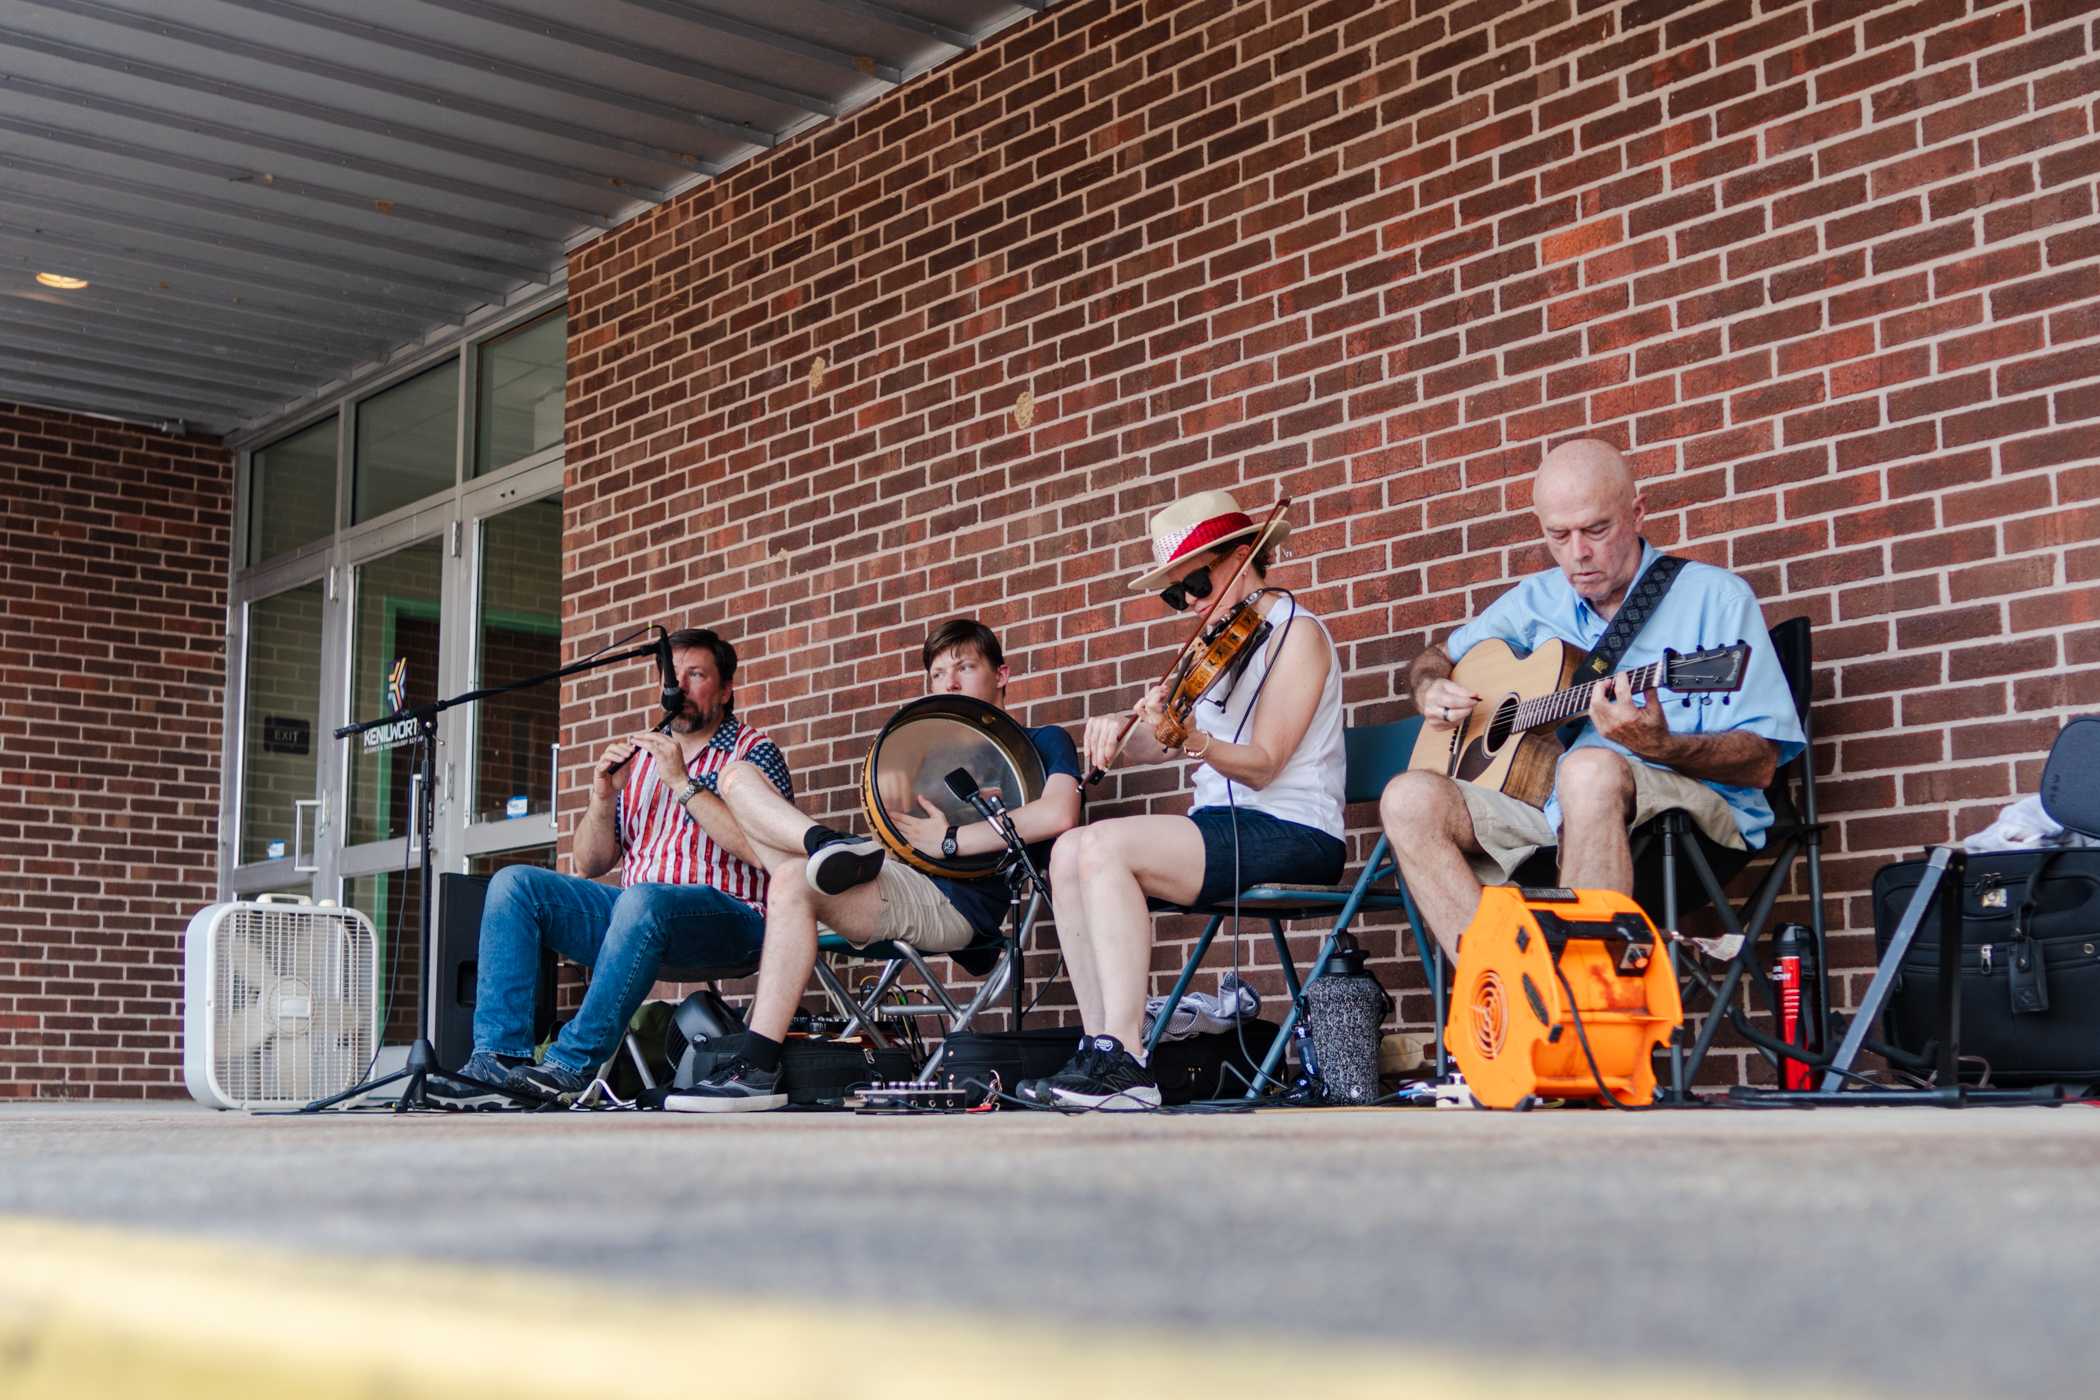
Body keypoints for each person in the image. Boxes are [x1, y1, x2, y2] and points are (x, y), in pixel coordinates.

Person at [1379, 438, 1805, 960]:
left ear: (1636, 513)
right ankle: (1504, 991)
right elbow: (1434, 656)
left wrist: (1662, 745)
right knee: (1407, 798)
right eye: (1558, 535)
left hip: (1686, 825)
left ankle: (1582, 997)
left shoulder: (1715, 599)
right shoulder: (1535, 600)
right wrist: (1428, 686)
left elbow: (1762, 763)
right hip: (1547, 813)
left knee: (1588, 768)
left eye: (1596, 530)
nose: (1577, 553)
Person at [663, 618, 1084, 1112]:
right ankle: (820, 843)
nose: (949, 682)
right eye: (938, 673)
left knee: (793, 881)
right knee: (737, 776)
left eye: (965, 668)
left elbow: (1058, 813)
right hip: (887, 871)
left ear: (1002, 675)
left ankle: (756, 1065)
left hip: (957, 901)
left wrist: (949, 840)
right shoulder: (918, 753)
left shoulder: (1043, 743)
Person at [1028, 490, 1347, 1110]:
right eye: (1177, 594)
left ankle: (1128, 1063)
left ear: (1241, 555)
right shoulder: (1217, 649)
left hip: (1293, 832)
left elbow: (1263, 764)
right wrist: (1123, 733)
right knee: (1067, 851)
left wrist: (1196, 740)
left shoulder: (1298, 635)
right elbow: (1158, 740)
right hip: (1220, 829)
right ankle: (1101, 1050)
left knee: (1104, 846)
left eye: (1196, 582)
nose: (1192, 603)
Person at [439, 627, 794, 1103]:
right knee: (515, 885)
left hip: (732, 921)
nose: (680, 688)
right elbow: (588, 862)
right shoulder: (643, 757)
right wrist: (602, 796)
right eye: (672, 676)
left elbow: (764, 850)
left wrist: (682, 782)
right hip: (636, 921)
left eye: (696, 675)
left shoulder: (754, 752)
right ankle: (499, 1059)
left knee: (644, 900)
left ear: (727, 689)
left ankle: (570, 1065)